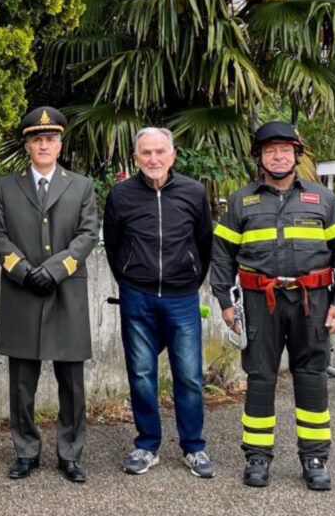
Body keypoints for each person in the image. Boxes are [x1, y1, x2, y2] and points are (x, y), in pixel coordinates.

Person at [211, 121, 335, 491]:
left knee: (311, 379)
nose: (278, 156)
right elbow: (222, 255)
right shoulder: (242, 201)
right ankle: (257, 458)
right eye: (270, 150)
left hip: (314, 302)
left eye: (285, 150)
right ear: (259, 157)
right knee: (260, 379)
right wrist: (226, 302)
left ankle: (315, 458)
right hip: (261, 301)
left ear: (296, 155)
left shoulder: (322, 199)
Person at [0, 106, 98, 482]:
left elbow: (87, 236)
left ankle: (70, 454)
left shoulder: (81, 186)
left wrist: (53, 271)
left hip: (66, 292)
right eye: (37, 139)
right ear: (28, 145)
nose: (44, 145)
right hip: (22, 293)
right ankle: (26, 452)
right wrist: (22, 271)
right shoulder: (5, 186)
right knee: (21, 384)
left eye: (50, 139)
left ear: (60, 144)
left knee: (71, 383)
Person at [103, 127, 215, 478]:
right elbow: (112, 243)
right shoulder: (120, 195)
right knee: (141, 374)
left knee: (189, 377)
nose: (153, 159)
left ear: (172, 155)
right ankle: (147, 444)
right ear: (135, 158)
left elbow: (204, 242)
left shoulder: (194, 193)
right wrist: (130, 277)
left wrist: (188, 277)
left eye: (159, 152)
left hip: (182, 297)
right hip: (137, 296)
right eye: (145, 153)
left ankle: (194, 448)